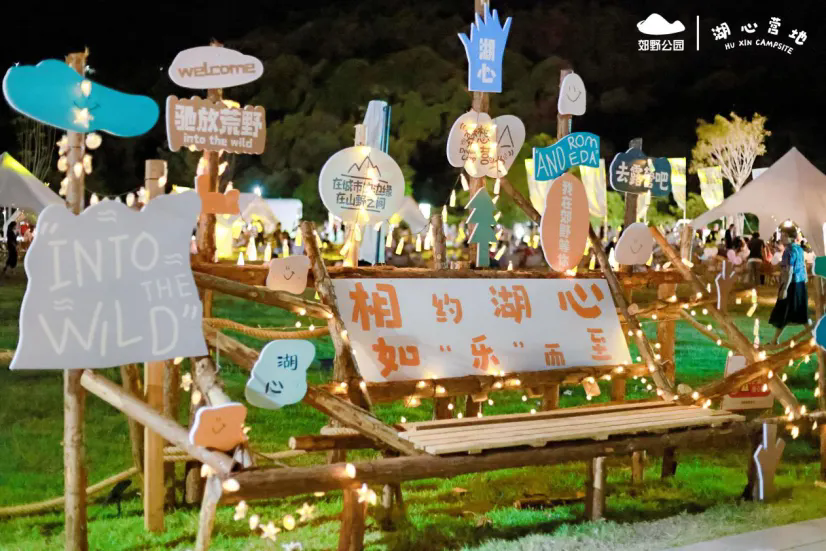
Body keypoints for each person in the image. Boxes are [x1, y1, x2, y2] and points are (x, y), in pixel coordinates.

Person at [769, 228, 809, 345]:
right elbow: (803, 266)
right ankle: (774, 340)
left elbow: (789, 271)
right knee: (799, 313)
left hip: (791, 285)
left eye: (784, 236)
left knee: (785, 312)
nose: (781, 238)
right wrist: (804, 280)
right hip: (800, 284)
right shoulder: (799, 249)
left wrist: (785, 288)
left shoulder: (789, 251)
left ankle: (774, 340)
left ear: (790, 237)